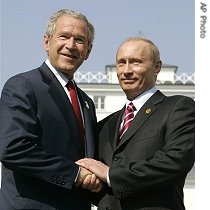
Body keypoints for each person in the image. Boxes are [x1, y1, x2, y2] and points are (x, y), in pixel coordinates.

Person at [76, 37, 195, 210]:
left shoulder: (178, 107)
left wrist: (110, 175)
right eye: (121, 63)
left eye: (136, 62)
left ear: (157, 67)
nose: (126, 70)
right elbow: (98, 184)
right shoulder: (105, 126)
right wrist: (90, 180)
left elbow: (176, 161)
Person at [0, 9, 101, 210]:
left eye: (80, 40)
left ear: (88, 51)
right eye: (63, 36)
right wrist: (75, 174)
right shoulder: (23, 85)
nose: (71, 45)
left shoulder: (86, 102)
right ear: (47, 42)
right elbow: (13, 148)